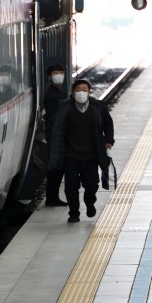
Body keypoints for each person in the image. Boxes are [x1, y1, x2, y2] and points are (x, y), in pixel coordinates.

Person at [49, 79, 114, 223]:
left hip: (91, 156)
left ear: (89, 92)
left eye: (84, 90)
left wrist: (109, 139)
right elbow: (55, 127)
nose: (81, 93)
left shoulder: (98, 107)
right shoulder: (64, 108)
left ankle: (90, 202)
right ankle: (74, 213)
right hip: (70, 156)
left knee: (92, 185)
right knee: (70, 187)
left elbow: (108, 124)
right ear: (72, 92)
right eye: (78, 90)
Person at [43, 63, 68, 207]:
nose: (59, 75)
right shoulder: (52, 94)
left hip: (56, 133)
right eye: (55, 73)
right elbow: (54, 117)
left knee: (57, 166)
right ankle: (52, 198)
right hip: (55, 134)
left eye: (61, 72)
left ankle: (53, 197)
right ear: (49, 77)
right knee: (56, 167)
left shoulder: (58, 92)